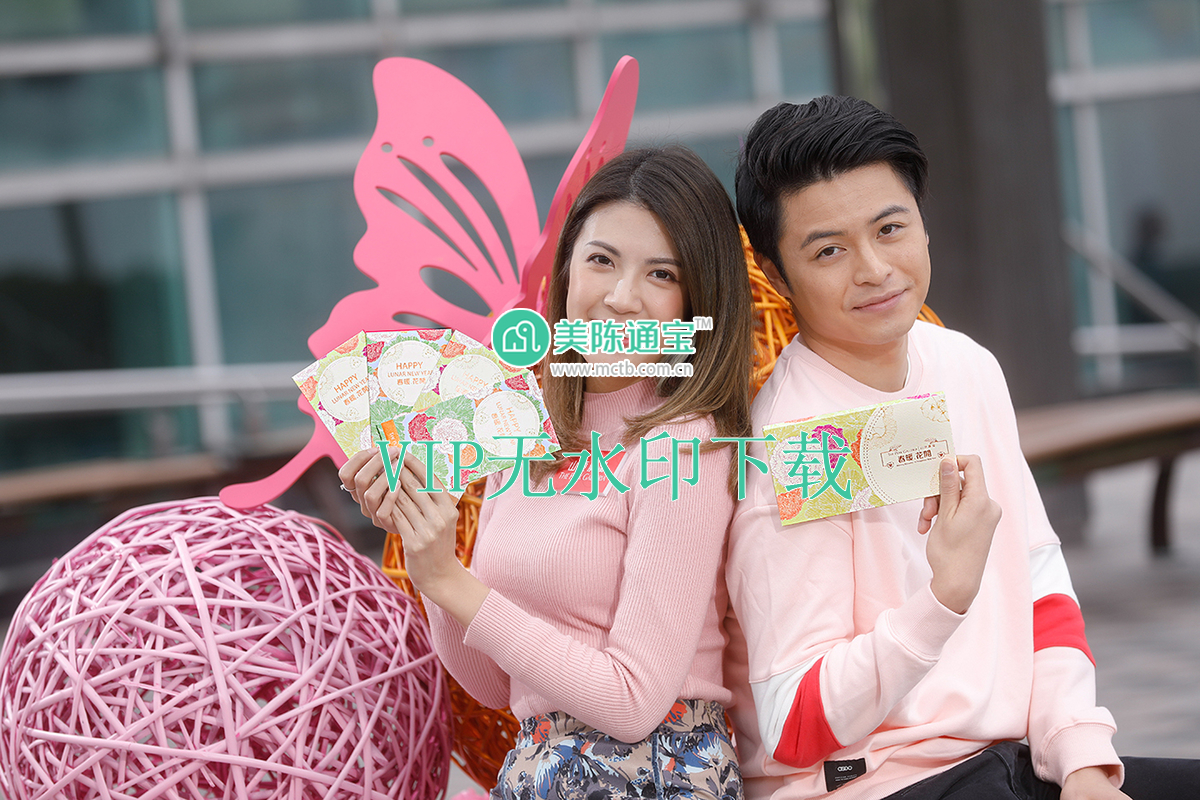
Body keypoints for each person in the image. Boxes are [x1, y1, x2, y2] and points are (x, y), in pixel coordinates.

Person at [723, 96, 1200, 800]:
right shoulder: (794, 444)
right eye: (829, 250)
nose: (874, 268)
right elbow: (791, 722)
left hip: (1002, 761)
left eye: (890, 228)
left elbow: (1040, 586)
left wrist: (1083, 762)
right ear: (774, 271)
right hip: (873, 784)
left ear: (922, 222)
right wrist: (945, 595)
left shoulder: (965, 366)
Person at [341, 145, 754, 798]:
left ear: (698, 300)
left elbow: (632, 703)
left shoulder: (682, 444)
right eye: (601, 261)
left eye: (661, 274)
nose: (621, 299)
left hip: (653, 774)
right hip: (541, 769)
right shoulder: (524, 432)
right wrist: (429, 559)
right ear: (566, 272)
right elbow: (495, 685)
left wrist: (452, 581)